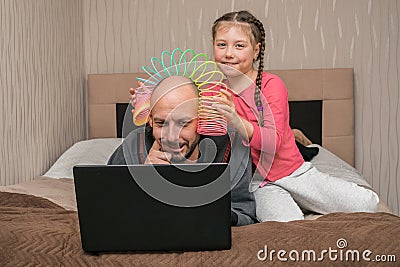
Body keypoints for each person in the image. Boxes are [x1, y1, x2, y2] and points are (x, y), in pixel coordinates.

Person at [209, 10, 379, 222]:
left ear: (256, 51)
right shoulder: (215, 92)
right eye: (221, 44)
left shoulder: (271, 86)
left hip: (292, 172)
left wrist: (236, 120)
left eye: (239, 45)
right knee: (290, 229)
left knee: (367, 203)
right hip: (258, 184)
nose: (228, 53)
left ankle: (306, 194)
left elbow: (273, 141)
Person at [109, 75, 257, 226]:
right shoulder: (132, 148)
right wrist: (145, 183)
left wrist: (212, 210)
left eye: (183, 123)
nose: (171, 136)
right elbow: (107, 212)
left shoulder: (232, 147)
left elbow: (245, 215)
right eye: (161, 123)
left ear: (202, 120)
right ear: (151, 120)